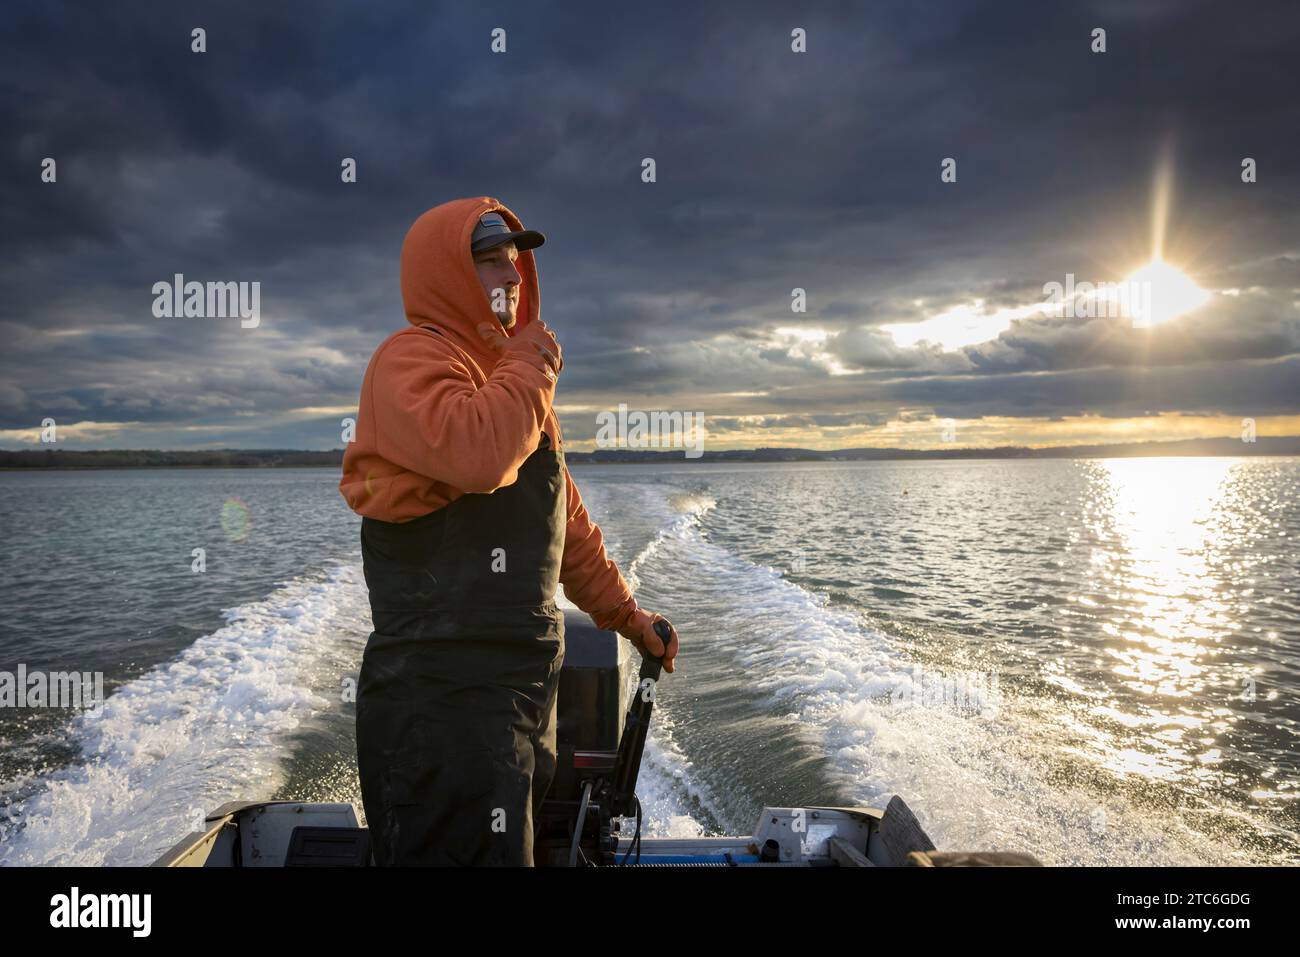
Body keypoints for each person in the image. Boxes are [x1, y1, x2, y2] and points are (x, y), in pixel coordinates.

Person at [339, 196, 680, 866]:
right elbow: (479, 454)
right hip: (439, 709)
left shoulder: (509, 388)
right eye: (490, 259)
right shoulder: (408, 362)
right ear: (447, 274)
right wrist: (531, 359)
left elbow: (566, 525)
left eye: (515, 259)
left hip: (519, 703)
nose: (513, 275)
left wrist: (630, 617)